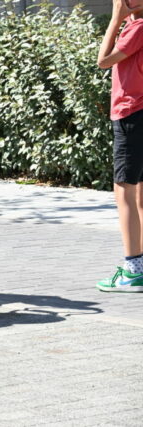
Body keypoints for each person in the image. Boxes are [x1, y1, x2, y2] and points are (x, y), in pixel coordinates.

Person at [96, 0, 143, 292]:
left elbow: (103, 60)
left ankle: (133, 270)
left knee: (124, 191)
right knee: (139, 195)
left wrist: (115, 19)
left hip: (131, 114)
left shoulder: (137, 28)